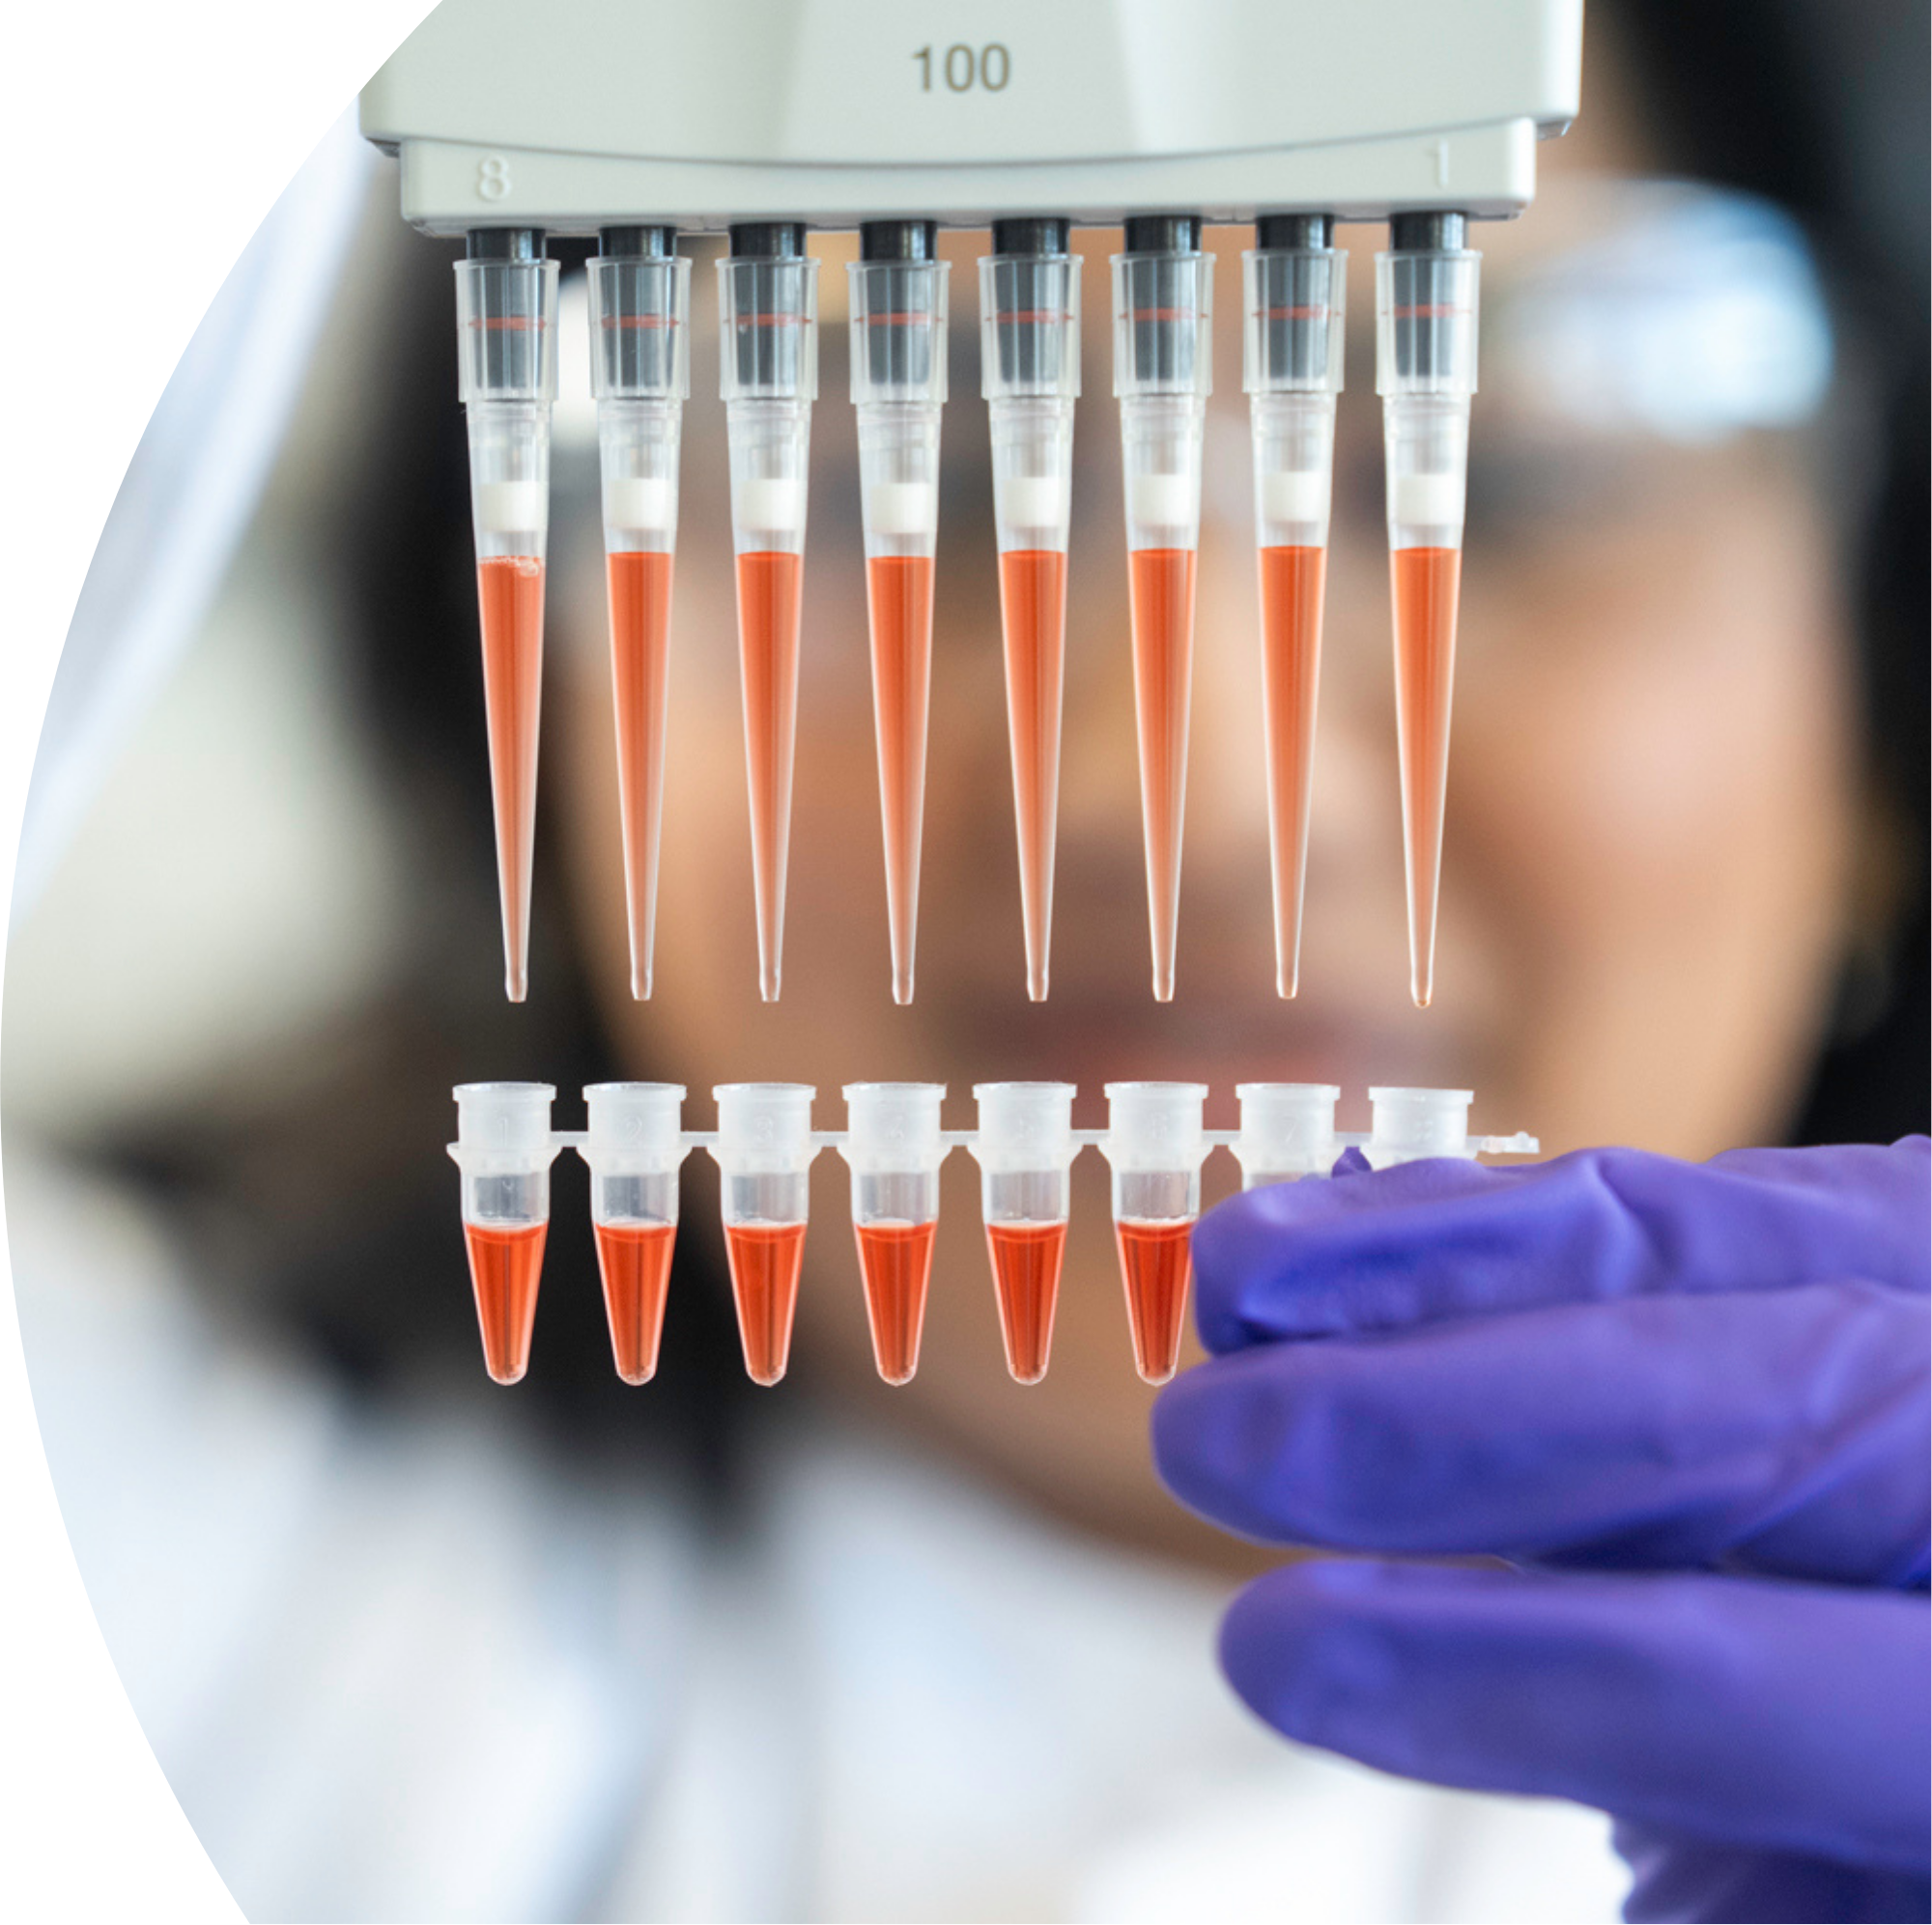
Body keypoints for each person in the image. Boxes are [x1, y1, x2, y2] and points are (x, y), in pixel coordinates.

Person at [5, 1, 1925, 1918]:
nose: (1186, 803)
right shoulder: (128, 1585)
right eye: (864, 483)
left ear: (1883, 705)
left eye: (1501, 482)